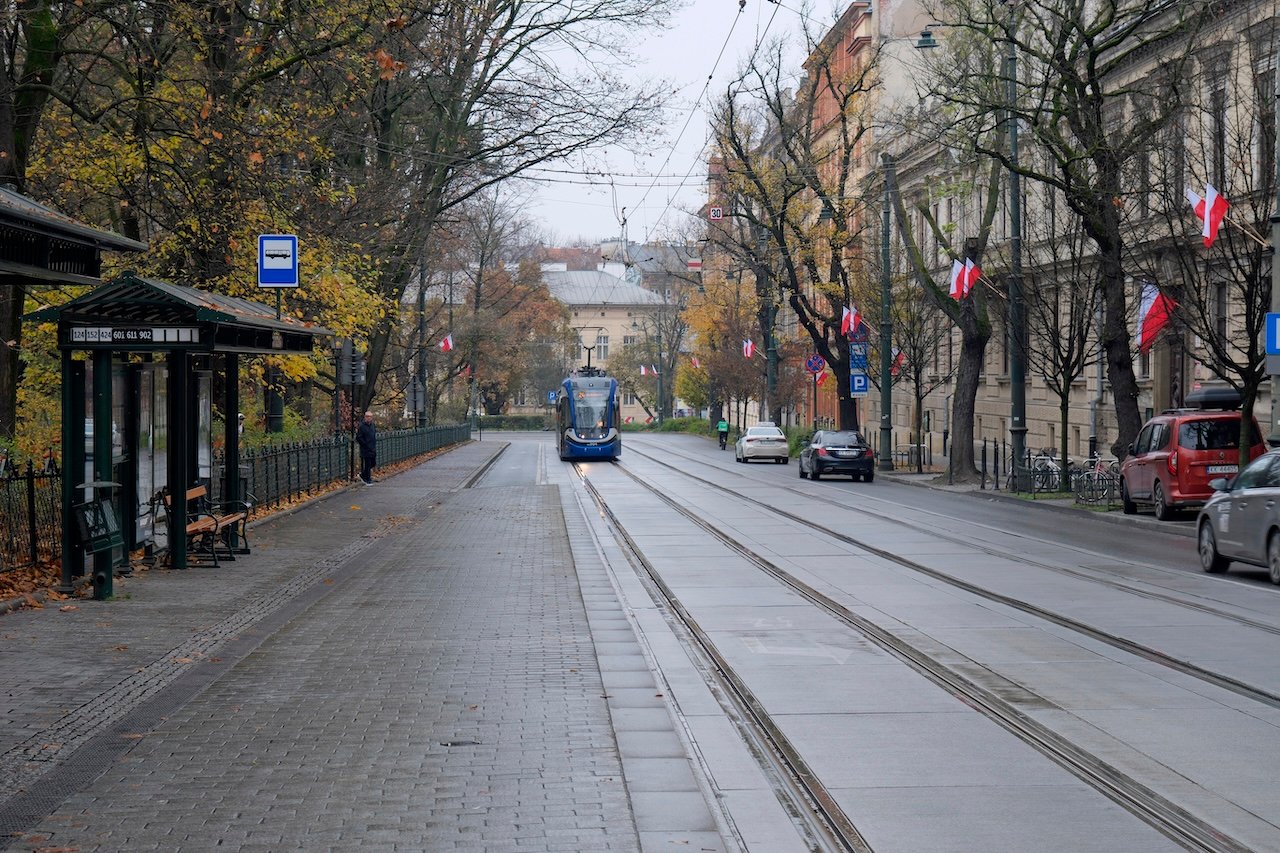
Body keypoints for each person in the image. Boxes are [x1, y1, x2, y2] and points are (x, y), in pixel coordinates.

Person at [356, 410, 377, 484]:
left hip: (372, 448)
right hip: (366, 449)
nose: (369, 418)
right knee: (367, 464)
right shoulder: (362, 426)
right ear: (365, 417)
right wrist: (364, 444)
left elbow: (373, 435)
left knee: (373, 463)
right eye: (367, 416)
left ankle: (363, 475)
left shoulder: (373, 425)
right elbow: (358, 437)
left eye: (370, 417)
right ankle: (367, 478)